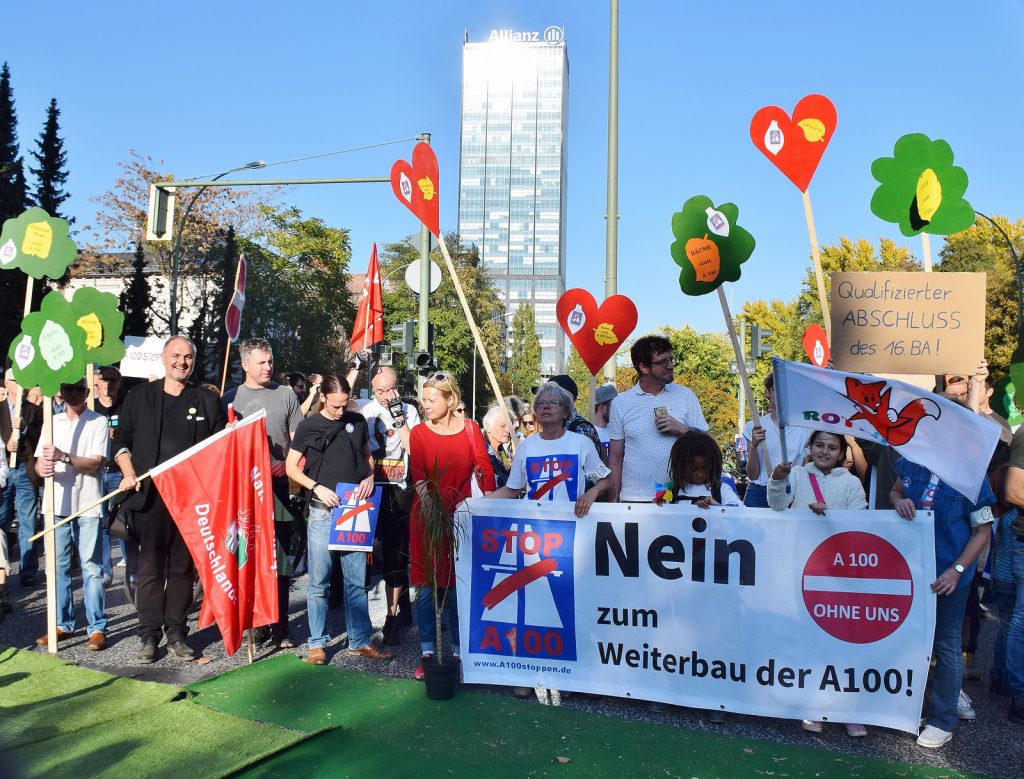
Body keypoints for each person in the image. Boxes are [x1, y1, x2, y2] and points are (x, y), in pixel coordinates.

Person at [113, 336, 226, 663]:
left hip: (190, 501)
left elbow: (220, 450)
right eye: (176, 355)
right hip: (149, 498)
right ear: (163, 359)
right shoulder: (139, 396)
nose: (182, 362)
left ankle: (176, 633)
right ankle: (148, 635)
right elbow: (122, 441)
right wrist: (127, 470)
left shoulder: (206, 400)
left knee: (181, 570)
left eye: (188, 357)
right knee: (149, 570)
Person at [286, 373, 393, 666]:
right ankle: (317, 644)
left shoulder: (356, 422)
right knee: (318, 582)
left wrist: (370, 476)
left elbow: (366, 457)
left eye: (344, 404)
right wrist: (316, 486)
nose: (339, 410)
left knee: (356, 581)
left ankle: (359, 640)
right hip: (322, 510)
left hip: (354, 511)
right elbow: (291, 468)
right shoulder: (309, 425)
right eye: (334, 405)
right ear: (323, 398)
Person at [892, 452, 996, 748]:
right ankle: (909, 708)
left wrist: (957, 570)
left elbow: (982, 531)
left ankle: (943, 719)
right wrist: (898, 500)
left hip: (949, 575)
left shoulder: (972, 475)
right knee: (907, 639)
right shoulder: (911, 461)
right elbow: (896, 489)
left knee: (946, 643)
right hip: (910, 571)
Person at [769, 430, 868, 736]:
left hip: (838, 572)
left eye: (832, 447)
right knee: (808, 637)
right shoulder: (796, 475)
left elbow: (861, 521)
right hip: (800, 567)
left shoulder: (851, 483)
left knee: (841, 639)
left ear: (841, 453)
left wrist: (831, 515)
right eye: (820, 445)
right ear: (809, 448)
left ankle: (848, 708)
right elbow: (777, 505)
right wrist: (776, 478)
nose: (825, 451)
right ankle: (815, 706)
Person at [409, 372, 495, 679]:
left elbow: (484, 469)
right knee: (427, 587)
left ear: (450, 400)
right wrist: (432, 511)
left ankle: (460, 653)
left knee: (460, 587)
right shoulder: (418, 433)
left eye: (432, 400)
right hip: (428, 518)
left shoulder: (471, 430)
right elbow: (418, 474)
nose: (426, 405)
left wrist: (484, 505)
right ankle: (428, 652)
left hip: (462, 517)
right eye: (424, 399)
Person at [223, 337, 304, 649]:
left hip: (279, 489)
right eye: (261, 362)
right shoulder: (230, 399)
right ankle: (256, 624)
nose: (269, 367)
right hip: (243, 493)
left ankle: (281, 626)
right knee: (249, 559)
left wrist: (288, 463)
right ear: (245, 365)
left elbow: (299, 440)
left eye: (270, 361)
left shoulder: (285, 395)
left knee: (280, 561)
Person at [33, 379, 109, 650]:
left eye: (79, 389)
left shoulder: (98, 421)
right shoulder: (51, 422)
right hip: (56, 504)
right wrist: (41, 468)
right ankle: (62, 624)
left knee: (91, 567)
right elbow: (39, 461)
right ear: (61, 392)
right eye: (69, 389)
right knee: (57, 567)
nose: (74, 394)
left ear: (88, 393)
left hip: (88, 502)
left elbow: (97, 463)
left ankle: (97, 627)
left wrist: (64, 457)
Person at [608, 335, 708, 502]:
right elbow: (616, 459)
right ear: (644, 367)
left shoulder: (686, 396)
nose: (670, 366)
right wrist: (613, 501)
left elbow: (707, 446)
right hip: (634, 499)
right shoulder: (621, 403)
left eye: (671, 360)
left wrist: (682, 429)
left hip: (679, 497)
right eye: (662, 362)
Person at [361, 366, 421, 646]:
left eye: (391, 389)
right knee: (379, 553)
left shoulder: (409, 411)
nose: (386, 396)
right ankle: (395, 607)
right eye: (380, 391)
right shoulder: (366, 411)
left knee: (398, 554)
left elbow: (414, 448)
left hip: (400, 488)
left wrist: (399, 418)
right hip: (373, 489)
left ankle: (392, 616)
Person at [489, 382, 610, 514]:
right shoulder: (525, 447)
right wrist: (476, 504)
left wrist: (592, 493)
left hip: (571, 524)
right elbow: (512, 489)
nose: (546, 406)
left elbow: (607, 480)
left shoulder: (582, 443)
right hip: (534, 527)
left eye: (553, 402)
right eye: (541, 403)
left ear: (565, 413)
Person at [988, 462, 1024, 722]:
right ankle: (1016, 689)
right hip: (1013, 572)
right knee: (1017, 626)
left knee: (1007, 625)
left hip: (1002, 575)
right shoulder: (1016, 515)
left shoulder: (1004, 510)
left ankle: (999, 679)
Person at [0, 369, 42, 586]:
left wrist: (25, 428)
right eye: (17, 380)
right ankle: (1, 569)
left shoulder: (34, 410)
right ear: (7, 383)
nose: (22, 384)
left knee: (28, 522)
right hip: (3, 473)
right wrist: (5, 447)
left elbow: (43, 438)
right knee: (2, 521)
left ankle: (28, 570)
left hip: (26, 471)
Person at [744, 373, 810, 508]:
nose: (782, 395)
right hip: (759, 492)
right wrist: (754, 446)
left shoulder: (806, 428)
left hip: (790, 492)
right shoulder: (755, 426)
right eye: (777, 390)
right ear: (767, 392)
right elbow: (752, 475)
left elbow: (807, 468)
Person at [93, 365, 124, 586]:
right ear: (97, 382)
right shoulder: (90, 407)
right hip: (95, 473)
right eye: (104, 380)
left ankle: (132, 571)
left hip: (117, 472)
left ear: (119, 383)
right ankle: (105, 570)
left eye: (113, 380)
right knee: (101, 524)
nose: (108, 384)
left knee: (121, 524)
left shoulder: (126, 406)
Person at [663, 430, 742, 509]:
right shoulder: (673, 490)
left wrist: (716, 506)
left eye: (705, 468)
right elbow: (663, 512)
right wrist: (658, 504)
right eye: (693, 469)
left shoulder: (721, 490)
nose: (700, 474)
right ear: (681, 466)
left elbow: (740, 513)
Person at [482, 404, 513, 489]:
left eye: (510, 426)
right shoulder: (482, 452)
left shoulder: (501, 450)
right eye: (502, 426)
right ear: (488, 427)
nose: (508, 430)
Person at [592, 383, 617, 459]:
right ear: (602, 408)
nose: (617, 409)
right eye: (614, 405)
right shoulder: (588, 433)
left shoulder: (617, 430)